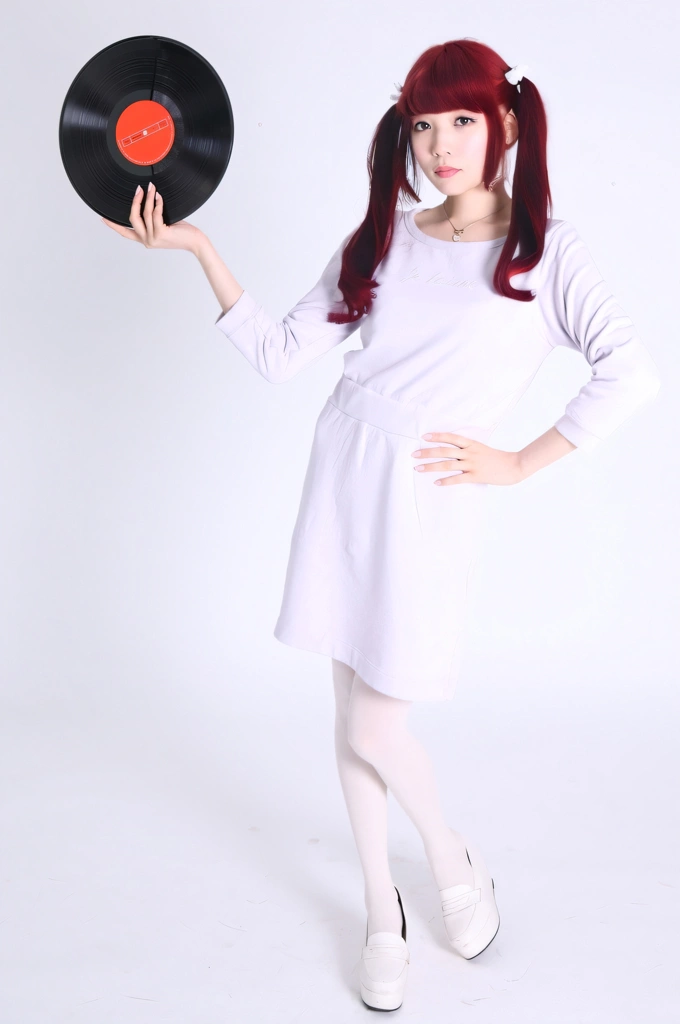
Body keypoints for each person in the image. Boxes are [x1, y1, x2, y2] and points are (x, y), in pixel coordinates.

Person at [102, 38, 662, 1012]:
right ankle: (379, 909)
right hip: (344, 470)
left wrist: (521, 460)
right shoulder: (385, 238)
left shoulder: (543, 252)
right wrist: (196, 247)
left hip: (429, 495)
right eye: (420, 124)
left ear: (505, 124)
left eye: (458, 120)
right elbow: (281, 354)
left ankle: (446, 853)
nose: (439, 144)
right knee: (347, 708)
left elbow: (629, 370)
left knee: (377, 715)